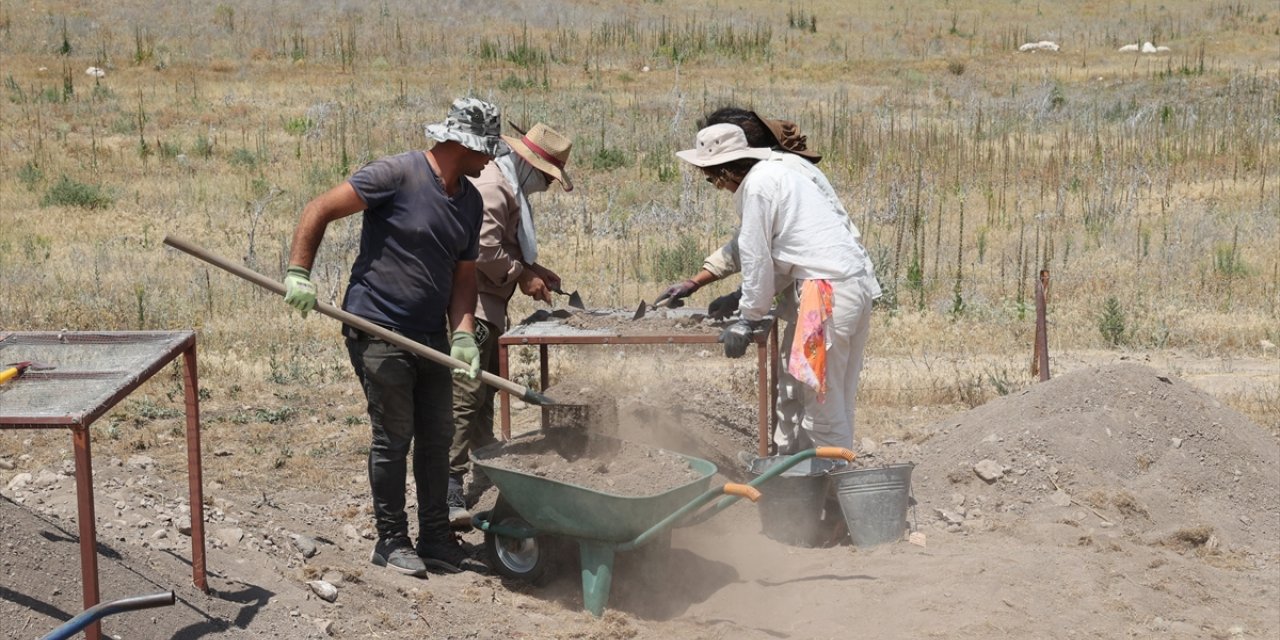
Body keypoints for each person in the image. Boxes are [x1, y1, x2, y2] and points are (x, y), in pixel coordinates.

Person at [281, 97, 504, 577]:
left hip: (429, 336)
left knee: (437, 438)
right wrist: (299, 272)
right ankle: (391, 539)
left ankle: (436, 539)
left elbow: (464, 277)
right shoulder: (396, 175)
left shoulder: (470, 201)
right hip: (376, 326)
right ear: (461, 143)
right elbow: (320, 208)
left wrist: (463, 333)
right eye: (485, 149)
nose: (490, 159)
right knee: (394, 436)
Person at [672, 122, 880, 455]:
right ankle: (825, 481)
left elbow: (756, 257)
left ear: (725, 171)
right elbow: (795, 255)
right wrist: (740, 296)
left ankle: (836, 493)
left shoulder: (757, 187)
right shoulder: (783, 176)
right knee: (838, 394)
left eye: (712, 179)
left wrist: (748, 317)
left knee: (821, 402)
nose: (716, 186)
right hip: (852, 286)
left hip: (824, 296)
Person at [448, 122, 575, 526]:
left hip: (489, 308)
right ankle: (449, 491)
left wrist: (533, 267)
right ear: (529, 165)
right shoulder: (493, 186)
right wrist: (522, 275)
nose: (548, 187)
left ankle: (487, 473)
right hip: (476, 310)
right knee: (465, 401)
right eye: (547, 177)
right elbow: (484, 250)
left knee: (482, 402)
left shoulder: (505, 183)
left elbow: (501, 243)